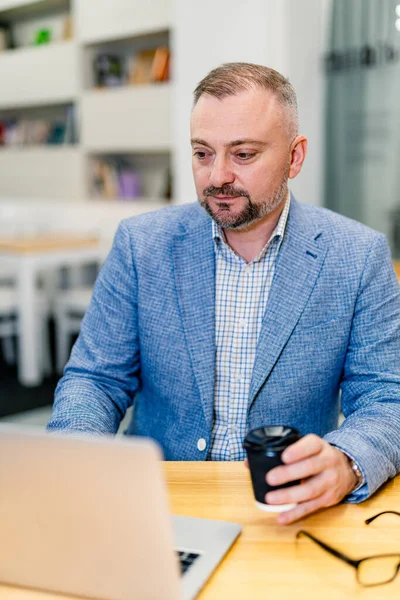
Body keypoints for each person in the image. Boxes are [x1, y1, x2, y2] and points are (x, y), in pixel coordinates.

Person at [48, 63, 400, 524]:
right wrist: (79, 456)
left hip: (289, 509)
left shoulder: (358, 256)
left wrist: (347, 461)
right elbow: (95, 379)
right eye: (202, 153)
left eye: (244, 154)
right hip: (157, 503)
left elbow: (386, 398)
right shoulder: (142, 244)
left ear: (295, 157)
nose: (217, 176)